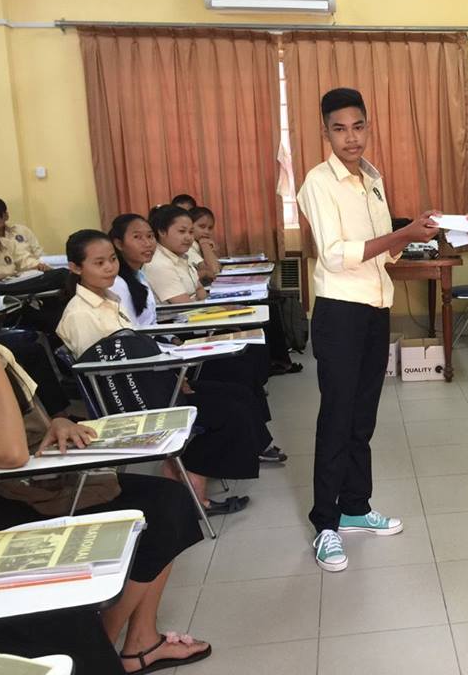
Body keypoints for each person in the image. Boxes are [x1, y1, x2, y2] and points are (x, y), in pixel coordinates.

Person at [0, 343, 211, 674]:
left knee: (169, 503)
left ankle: (140, 642)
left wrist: (58, 423)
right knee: (161, 509)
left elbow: (26, 422)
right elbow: (11, 454)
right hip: (13, 497)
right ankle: (107, 650)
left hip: (33, 480)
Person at [296, 87, 439, 571]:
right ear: (326, 133)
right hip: (340, 312)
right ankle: (326, 523)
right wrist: (401, 234)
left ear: (368, 127)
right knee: (337, 418)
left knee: (362, 417)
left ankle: (355, 506)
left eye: (358, 127)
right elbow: (336, 255)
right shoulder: (318, 183)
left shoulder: (372, 179)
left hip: (376, 308)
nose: (351, 138)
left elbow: (385, 253)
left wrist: (413, 234)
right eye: (339, 129)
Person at [56, 229, 268, 515]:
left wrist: (172, 372)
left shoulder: (108, 299)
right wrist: (171, 376)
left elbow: (132, 350)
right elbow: (106, 373)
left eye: (112, 260)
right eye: (99, 263)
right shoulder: (81, 314)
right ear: (75, 267)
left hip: (147, 384)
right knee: (230, 412)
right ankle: (191, 481)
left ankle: (182, 468)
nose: (109, 268)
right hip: (131, 400)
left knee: (238, 394)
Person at [109, 213, 286, 463]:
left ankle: (255, 437)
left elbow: (152, 323)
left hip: (168, 343)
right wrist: (175, 349)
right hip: (161, 354)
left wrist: (174, 342)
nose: (147, 243)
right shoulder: (123, 283)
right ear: (118, 243)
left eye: (149, 237)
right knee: (238, 368)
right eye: (138, 238)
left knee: (246, 360)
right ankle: (252, 441)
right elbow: (137, 334)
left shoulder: (139, 276)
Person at [144, 205, 301, 375]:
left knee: (258, 329)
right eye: (182, 232)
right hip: (180, 326)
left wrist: (220, 310)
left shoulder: (182, 256)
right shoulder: (159, 264)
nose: (188, 237)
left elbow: (199, 290)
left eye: (190, 232)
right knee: (251, 347)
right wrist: (222, 313)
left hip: (197, 316)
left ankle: (270, 368)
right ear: (162, 232)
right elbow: (184, 306)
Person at [188, 206, 222, 284]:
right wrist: (204, 244)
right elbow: (214, 271)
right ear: (190, 226)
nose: (206, 232)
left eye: (210, 228)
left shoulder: (198, 242)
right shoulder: (188, 246)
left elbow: (218, 267)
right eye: (202, 227)